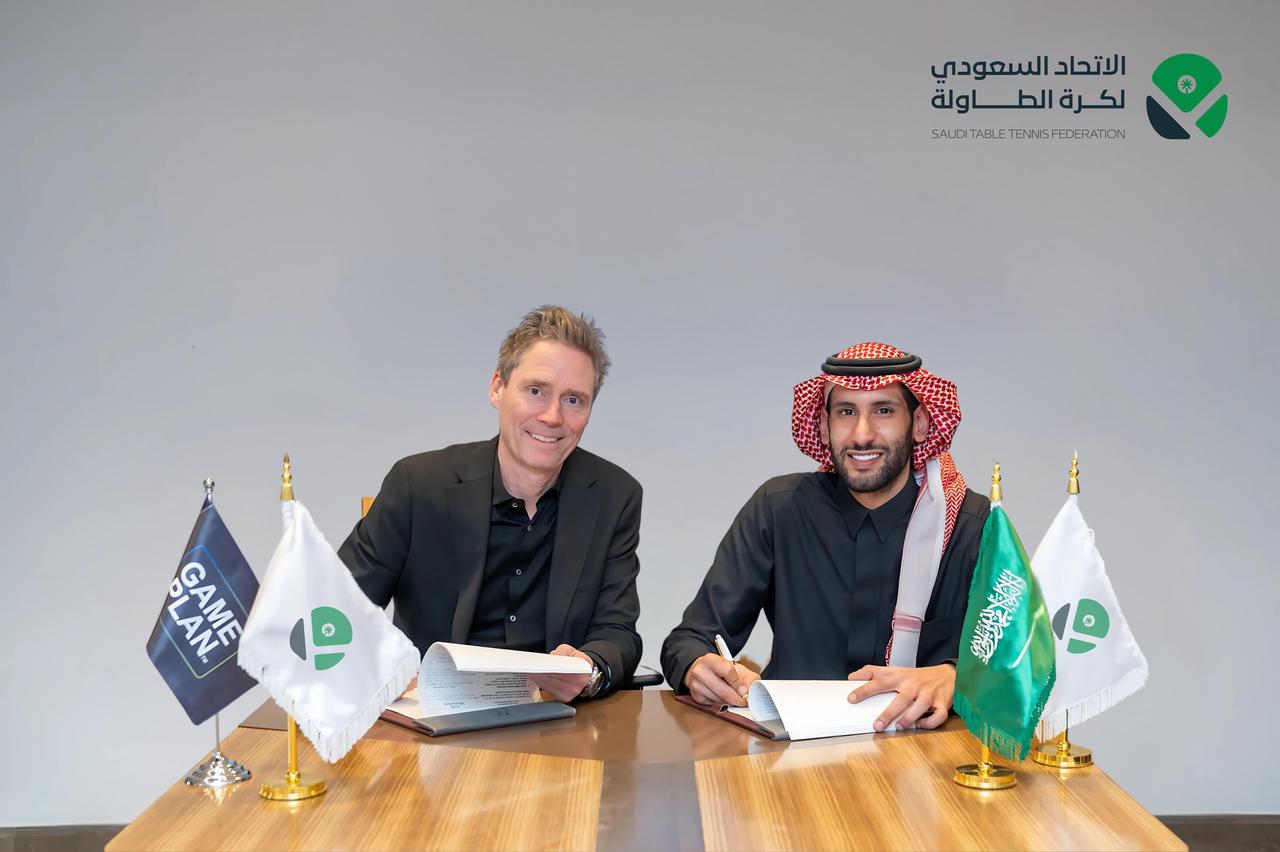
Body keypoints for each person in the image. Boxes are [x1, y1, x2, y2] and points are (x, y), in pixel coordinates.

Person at [661, 342, 989, 731]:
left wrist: (954, 676)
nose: (862, 435)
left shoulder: (968, 525)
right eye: (846, 412)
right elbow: (689, 641)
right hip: (789, 751)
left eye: (883, 411)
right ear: (822, 425)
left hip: (925, 753)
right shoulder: (779, 509)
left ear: (918, 424)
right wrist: (698, 667)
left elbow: (1018, 662)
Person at [339, 306, 642, 702]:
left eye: (573, 400)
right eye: (536, 391)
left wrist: (590, 669)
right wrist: (383, 672)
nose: (553, 416)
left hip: (555, 717)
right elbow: (337, 612)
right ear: (498, 388)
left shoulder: (614, 496)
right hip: (432, 715)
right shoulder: (417, 485)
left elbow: (618, 632)